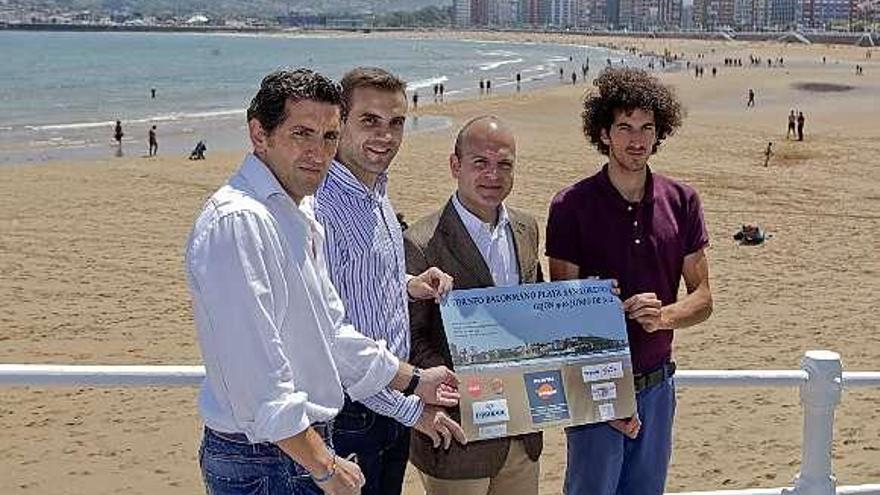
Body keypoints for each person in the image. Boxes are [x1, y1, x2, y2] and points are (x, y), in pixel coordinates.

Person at [184, 68, 464, 495]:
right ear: (259, 134)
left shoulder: (297, 212)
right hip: (269, 456)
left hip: (300, 445)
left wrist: (412, 380)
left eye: (329, 136)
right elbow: (259, 381)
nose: (319, 152)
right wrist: (324, 466)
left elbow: (330, 331)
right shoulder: (240, 223)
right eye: (302, 133)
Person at [546, 67, 713, 495]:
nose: (636, 140)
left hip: (659, 386)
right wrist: (606, 311)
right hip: (595, 385)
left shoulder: (682, 200)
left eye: (646, 128)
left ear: (659, 134)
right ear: (603, 133)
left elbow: (704, 299)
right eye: (624, 127)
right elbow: (562, 311)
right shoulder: (570, 205)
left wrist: (663, 315)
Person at [313, 67, 466, 495]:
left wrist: (409, 283)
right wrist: (410, 408)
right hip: (352, 414)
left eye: (396, 122)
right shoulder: (322, 208)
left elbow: (354, 281)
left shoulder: (376, 191)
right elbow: (334, 338)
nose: (385, 135)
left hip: (391, 401)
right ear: (338, 123)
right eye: (370, 121)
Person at [404, 115, 543, 495]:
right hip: (457, 438)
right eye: (480, 163)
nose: (492, 175)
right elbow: (410, 341)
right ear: (455, 166)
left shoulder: (527, 228)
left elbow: (537, 311)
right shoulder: (419, 241)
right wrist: (466, 383)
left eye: (504, 164)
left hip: (522, 436)